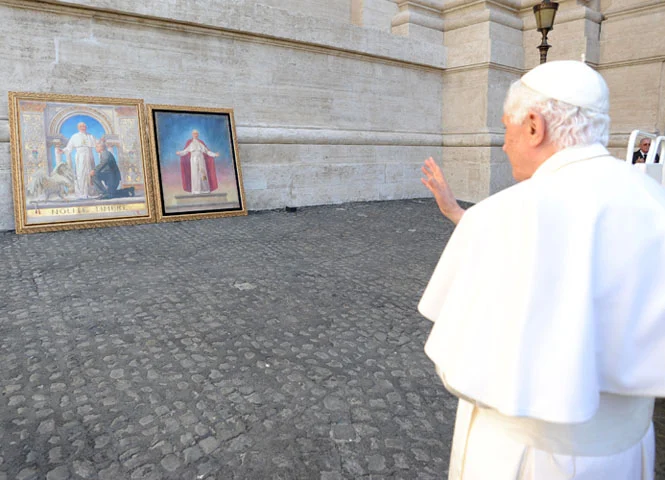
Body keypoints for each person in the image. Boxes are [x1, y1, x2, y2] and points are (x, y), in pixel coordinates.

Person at [419, 60, 665, 479]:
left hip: (519, 458)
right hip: (628, 454)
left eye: (506, 129)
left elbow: (457, 364)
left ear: (534, 126)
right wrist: (459, 213)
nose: (503, 145)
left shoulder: (502, 213)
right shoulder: (654, 198)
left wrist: (470, 218)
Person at [58, 122, 97, 199]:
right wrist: (62, 151)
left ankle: (90, 192)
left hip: (89, 156)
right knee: (80, 174)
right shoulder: (75, 136)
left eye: (84, 126)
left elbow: (97, 144)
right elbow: (69, 147)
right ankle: (82, 193)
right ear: (78, 128)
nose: (83, 127)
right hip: (80, 156)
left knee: (90, 173)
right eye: (81, 126)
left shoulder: (91, 136)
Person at [176, 130, 220, 194]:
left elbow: (207, 151)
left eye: (196, 133)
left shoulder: (200, 143)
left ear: (198, 135)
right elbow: (185, 151)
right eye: (194, 133)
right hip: (193, 160)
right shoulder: (190, 143)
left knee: (203, 173)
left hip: (201, 160)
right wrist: (179, 153)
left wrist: (215, 154)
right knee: (195, 174)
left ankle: (205, 189)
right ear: (192, 134)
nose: (195, 135)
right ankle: (196, 190)